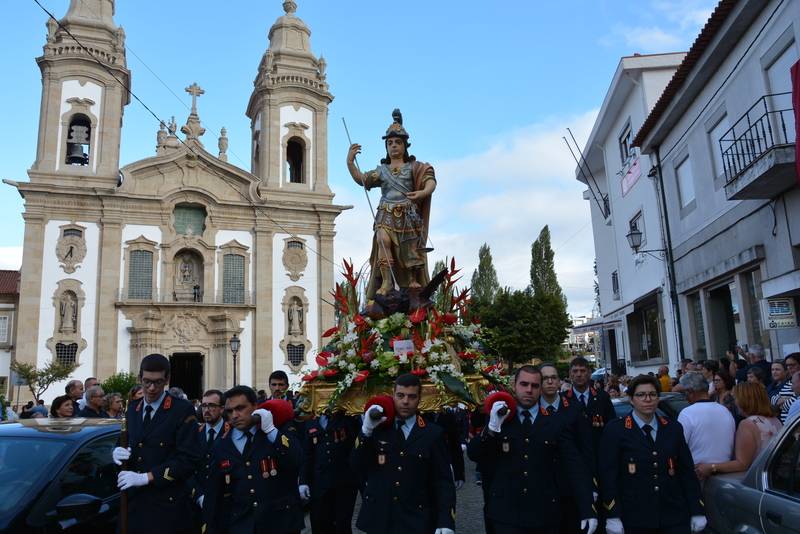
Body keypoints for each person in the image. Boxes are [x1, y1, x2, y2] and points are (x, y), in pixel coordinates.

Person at [468, 365, 597, 534]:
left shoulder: (556, 421)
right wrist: (492, 429)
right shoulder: (500, 417)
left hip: (544, 513)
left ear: (541, 387)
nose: (529, 390)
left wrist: (587, 508)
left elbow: (575, 466)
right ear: (514, 386)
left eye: (535, 385)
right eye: (524, 384)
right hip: (506, 514)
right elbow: (474, 453)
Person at [599, 374, 706, 534]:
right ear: (631, 399)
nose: (647, 399)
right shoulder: (616, 430)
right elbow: (609, 476)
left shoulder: (673, 428)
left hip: (674, 516)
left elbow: (686, 473)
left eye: (652, 394)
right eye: (641, 395)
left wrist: (697, 510)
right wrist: (612, 514)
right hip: (635, 517)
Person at [351, 373, 456, 534]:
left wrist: (446, 520)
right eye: (400, 395)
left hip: (415, 518)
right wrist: (365, 431)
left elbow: (442, 481)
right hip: (379, 517)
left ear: (420, 398)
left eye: (411, 396)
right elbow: (356, 466)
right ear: (393, 395)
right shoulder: (376, 429)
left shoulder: (432, 433)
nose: (405, 401)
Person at [347, 109, 436, 297]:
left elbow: (430, 181)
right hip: (385, 212)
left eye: (397, 142)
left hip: (408, 213)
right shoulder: (382, 170)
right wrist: (350, 162)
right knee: (382, 240)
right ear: (386, 147)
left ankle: (412, 278)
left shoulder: (414, 167)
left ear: (405, 145)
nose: (393, 146)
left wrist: (423, 192)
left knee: (410, 246)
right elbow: (362, 180)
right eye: (390, 143)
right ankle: (387, 281)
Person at [112, 353, 203, 534]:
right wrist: (116, 455)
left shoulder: (181, 409)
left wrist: (146, 477)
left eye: (158, 382)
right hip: (133, 507)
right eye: (146, 382)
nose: (151, 388)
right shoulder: (133, 409)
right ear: (139, 378)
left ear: (167, 380)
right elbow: (124, 445)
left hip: (166, 510)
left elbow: (189, 459)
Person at [202, 385, 305, 534]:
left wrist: (271, 431)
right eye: (230, 411)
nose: (235, 415)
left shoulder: (278, 429)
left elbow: (296, 460)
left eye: (240, 408)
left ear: (255, 406)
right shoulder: (222, 444)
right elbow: (213, 493)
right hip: (244, 524)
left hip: (281, 522)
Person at [539, 363, 596, 534]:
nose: (550, 381)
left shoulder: (574, 408)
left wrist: (590, 485)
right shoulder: (532, 408)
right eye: (545, 378)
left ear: (559, 381)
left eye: (553, 377)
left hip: (569, 485)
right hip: (542, 486)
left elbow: (585, 449)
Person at [694, 381, 782, 479]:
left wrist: (711, 467)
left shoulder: (748, 424)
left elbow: (742, 464)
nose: (735, 403)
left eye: (736, 399)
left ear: (745, 400)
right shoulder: (775, 420)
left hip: (755, 481)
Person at [300, 410, 362, 534]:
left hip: (345, 479)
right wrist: (303, 481)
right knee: (321, 521)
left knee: (342, 523)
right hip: (320, 480)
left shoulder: (347, 417)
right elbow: (308, 453)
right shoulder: (311, 420)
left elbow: (358, 439)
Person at [676, 372, 735, 475]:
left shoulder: (687, 413)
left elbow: (678, 448)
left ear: (690, 392)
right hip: (726, 473)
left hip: (698, 474)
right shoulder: (725, 411)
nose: (684, 396)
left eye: (684, 393)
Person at [773, 353, 799, 423]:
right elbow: (773, 400)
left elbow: (791, 405)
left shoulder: (798, 382)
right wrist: (786, 400)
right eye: (787, 365)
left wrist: (782, 401)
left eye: (792, 365)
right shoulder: (788, 382)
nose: (789, 368)